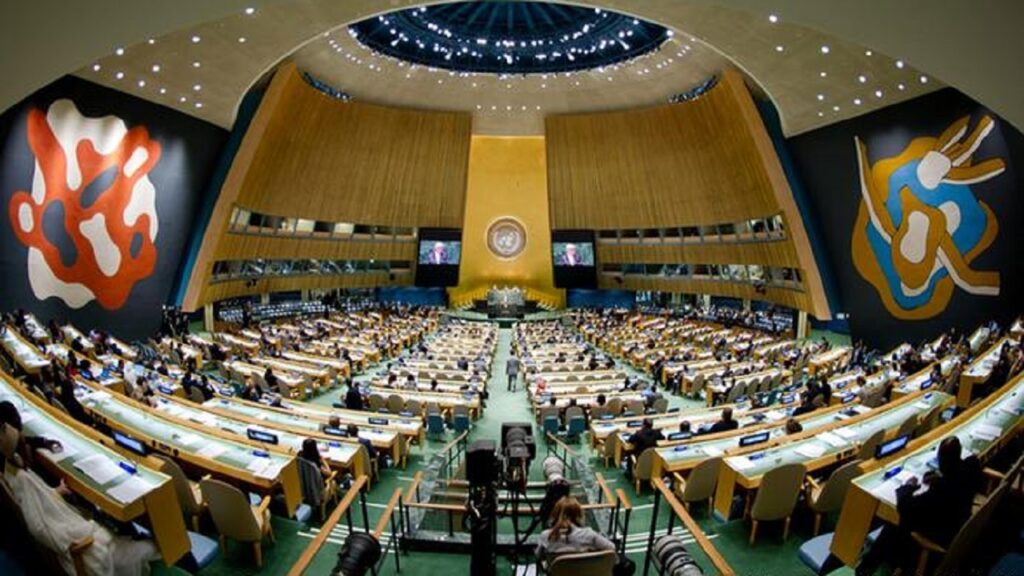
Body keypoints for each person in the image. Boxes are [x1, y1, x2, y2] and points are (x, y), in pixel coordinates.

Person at [1, 401, 159, 575]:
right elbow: (41, 528)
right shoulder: (22, 478)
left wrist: (56, 492)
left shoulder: (11, 469)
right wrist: (85, 536)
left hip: (78, 532)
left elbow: (38, 504)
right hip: (84, 547)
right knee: (150, 547)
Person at [856, 436, 981, 575]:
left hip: (940, 534)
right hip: (958, 518)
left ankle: (867, 568)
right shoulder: (971, 466)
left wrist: (907, 487)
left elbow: (906, 506)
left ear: (941, 461)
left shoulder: (942, 489)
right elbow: (955, 475)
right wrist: (939, 477)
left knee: (894, 524)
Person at [535, 496, 615, 563]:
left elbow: (538, 556)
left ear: (555, 514)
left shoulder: (546, 536)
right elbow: (611, 548)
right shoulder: (589, 534)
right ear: (579, 515)